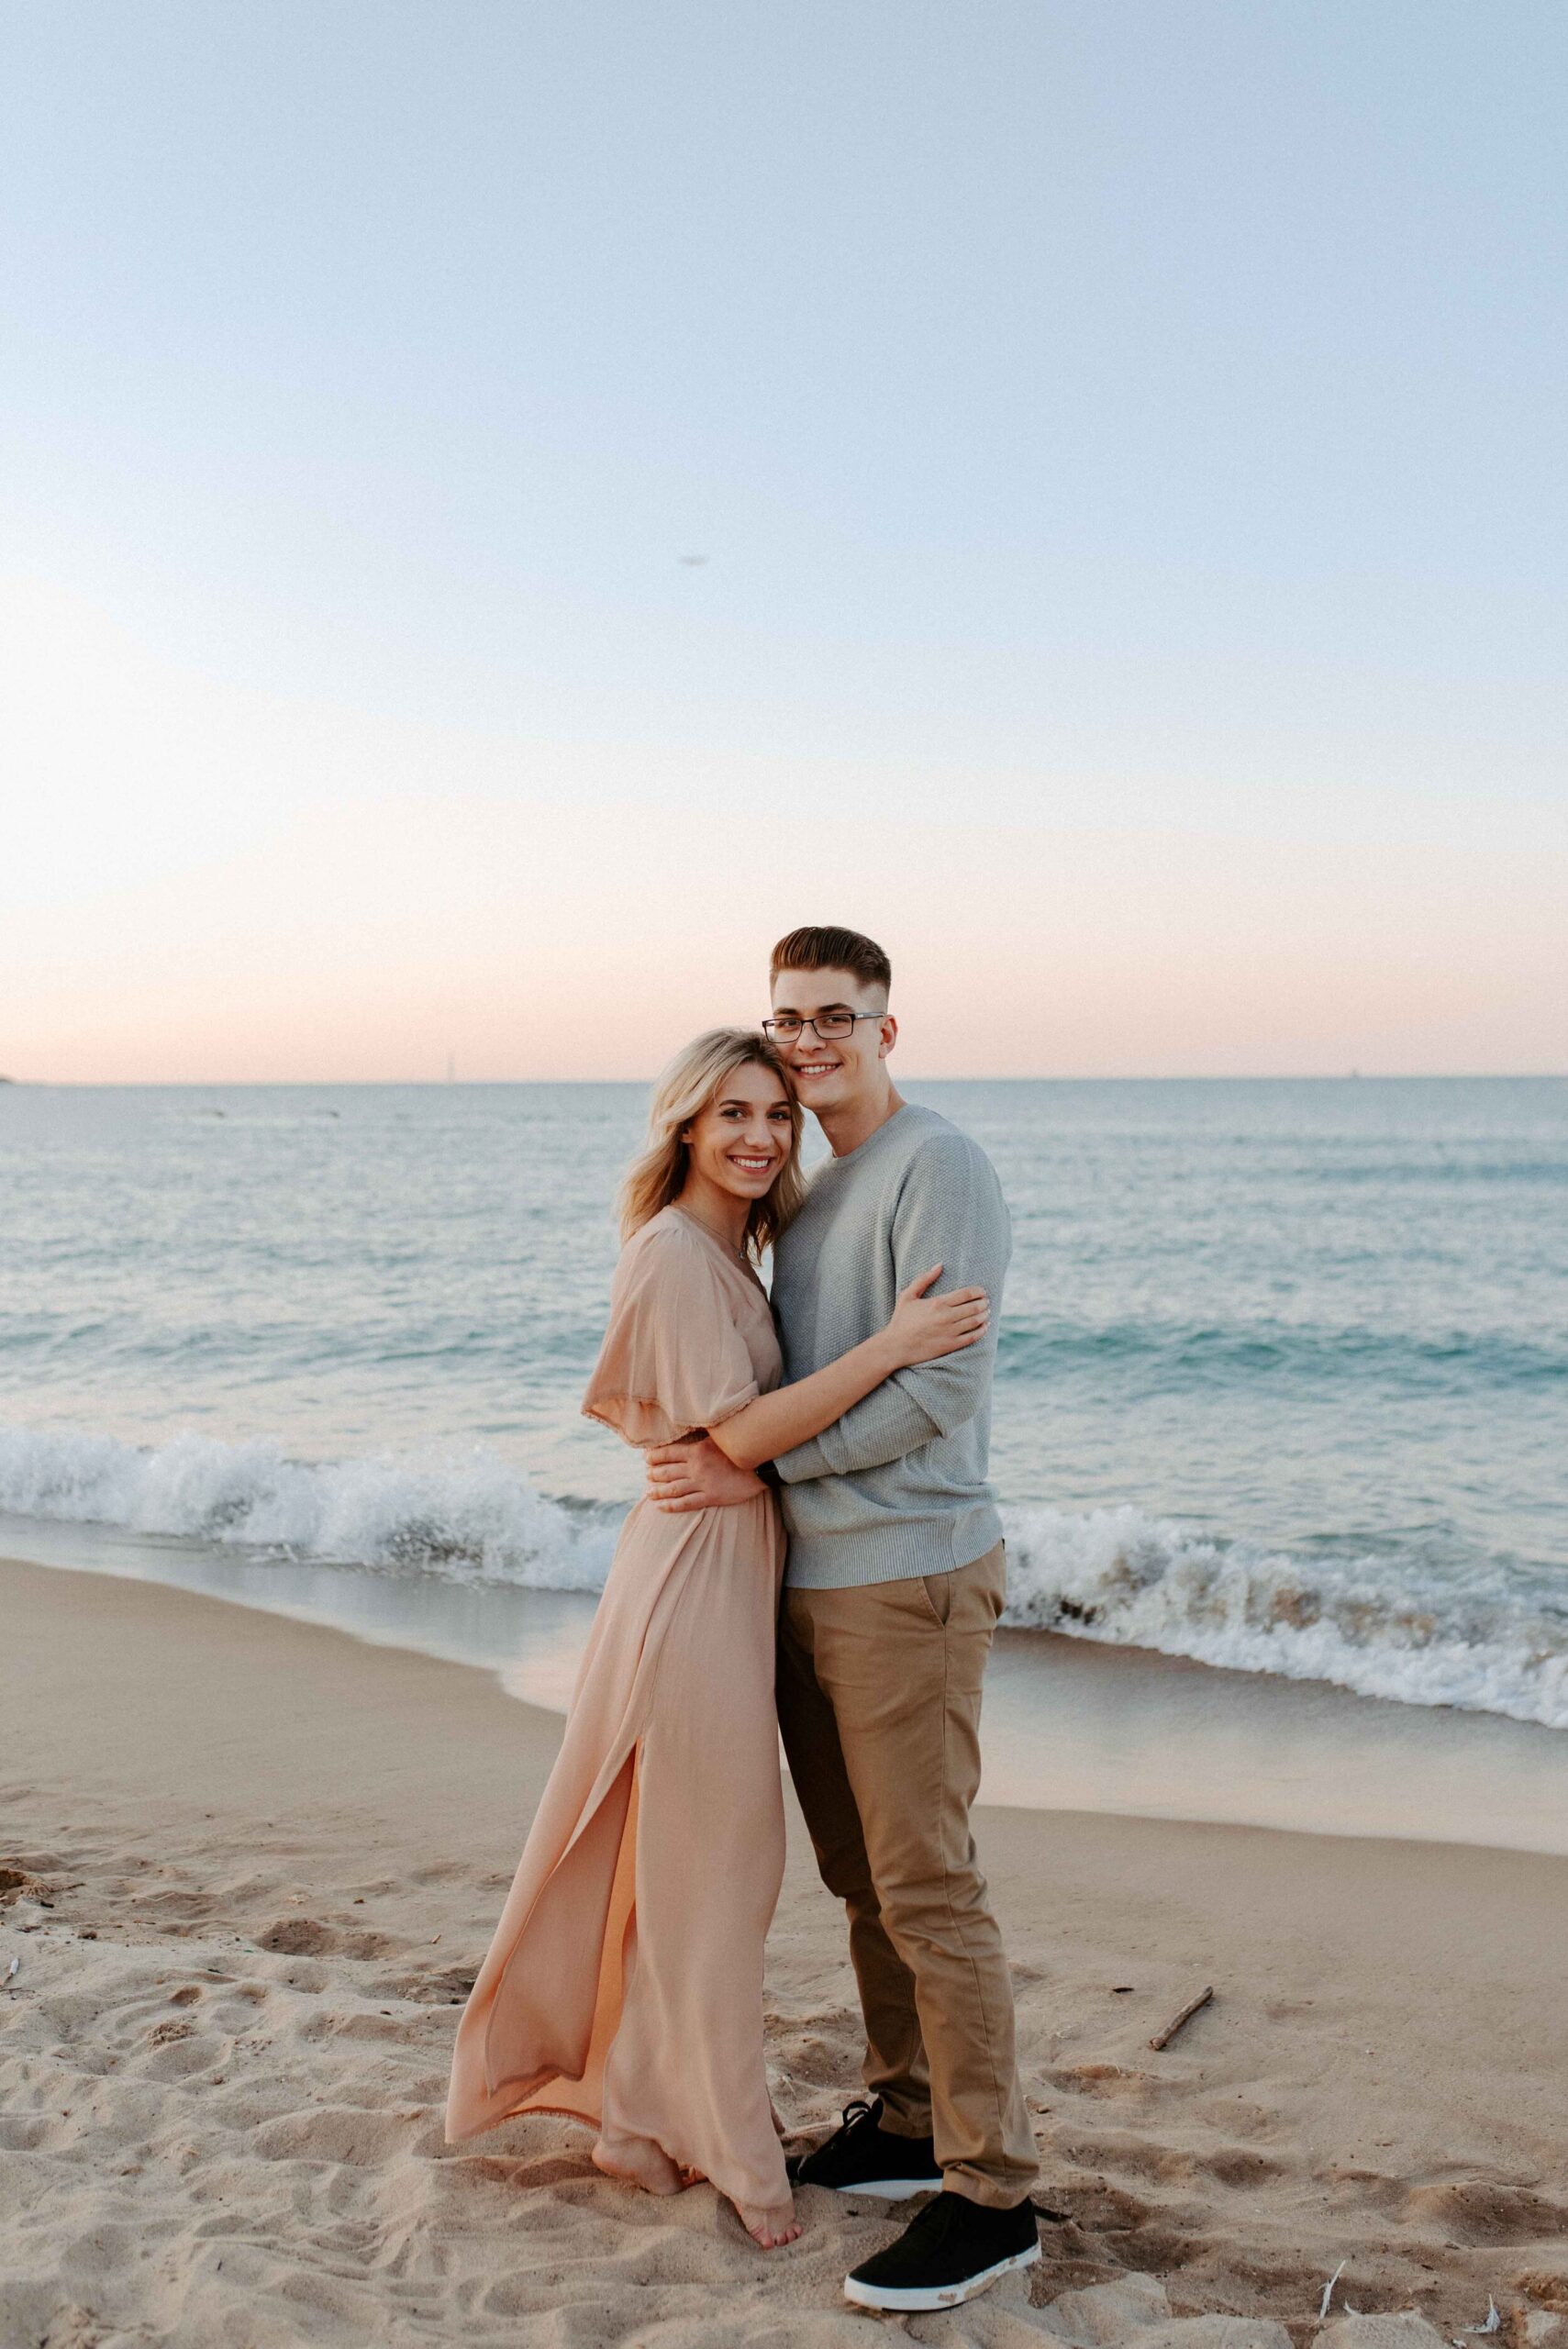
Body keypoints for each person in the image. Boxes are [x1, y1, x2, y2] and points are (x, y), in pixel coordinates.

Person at [444, 1026, 989, 2254]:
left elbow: (732, 1446)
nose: (759, 1136)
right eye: (733, 1113)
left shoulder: (726, 1248)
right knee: (716, 1876)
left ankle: (642, 2124)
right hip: (694, 1589)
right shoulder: (676, 1255)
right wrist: (891, 1348)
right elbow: (732, 1435)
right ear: (685, 1123)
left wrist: (749, 1470)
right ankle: (737, 2156)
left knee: (692, 1877)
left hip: (722, 1577)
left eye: (776, 1117)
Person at [646, 929, 1040, 2312]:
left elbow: (940, 1392)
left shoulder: (937, 1166)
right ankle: (911, 2109)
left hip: (906, 1576)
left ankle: (992, 2194)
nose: (806, 1042)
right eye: (787, 1020)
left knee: (929, 1888)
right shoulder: (808, 1194)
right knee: (861, 1880)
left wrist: (758, 1463)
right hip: (808, 1581)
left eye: (832, 1019)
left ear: (885, 1027)